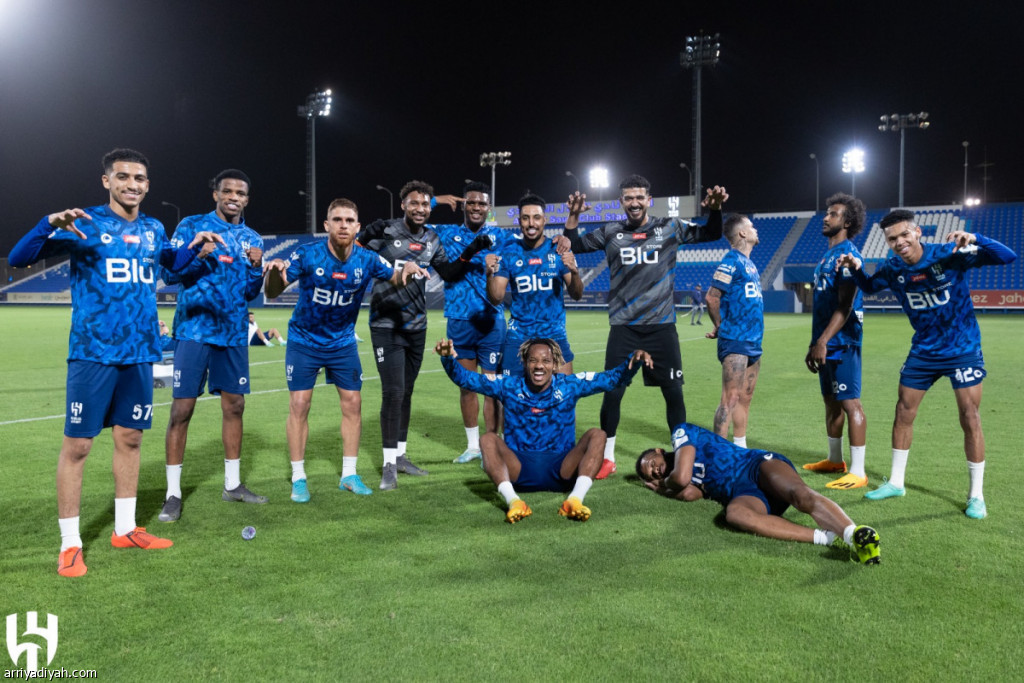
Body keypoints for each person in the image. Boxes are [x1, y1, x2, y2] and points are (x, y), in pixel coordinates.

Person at [7, 148, 222, 577]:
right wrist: (48, 224)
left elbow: (172, 264)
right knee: (78, 446)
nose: (132, 184)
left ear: (147, 185)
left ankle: (125, 529)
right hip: (93, 352)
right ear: (106, 181)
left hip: (140, 352)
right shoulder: (84, 223)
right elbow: (18, 258)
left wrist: (195, 249)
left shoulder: (153, 228)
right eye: (123, 177)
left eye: (139, 178)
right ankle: (70, 543)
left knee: (131, 439)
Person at [837, 210, 1016, 519]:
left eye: (904, 234)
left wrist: (976, 238)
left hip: (962, 349)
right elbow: (869, 286)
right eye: (892, 239)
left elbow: (1008, 256)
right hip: (923, 351)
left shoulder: (949, 254)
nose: (899, 242)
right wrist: (856, 269)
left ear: (917, 232)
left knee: (970, 416)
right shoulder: (893, 268)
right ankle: (896, 482)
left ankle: (976, 496)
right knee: (903, 412)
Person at [562, 176, 728, 478]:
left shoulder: (670, 227)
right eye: (628, 198)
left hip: (661, 327)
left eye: (639, 197)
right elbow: (571, 244)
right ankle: (607, 458)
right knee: (612, 392)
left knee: (673, 394)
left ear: (649, 200)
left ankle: (679, 457)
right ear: (621, 202)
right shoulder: (610, 232)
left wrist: (715, 209)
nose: (634, 203)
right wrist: (573, 216)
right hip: (624, 328)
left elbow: (712, 233)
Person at [264, 198, 427, 503]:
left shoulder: (367, 259)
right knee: (299, 404)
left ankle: (349, 475)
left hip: (342, 343)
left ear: (357, 227)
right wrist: (273, 271)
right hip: (305, 341)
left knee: (353, 404)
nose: (343, 225)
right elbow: (273, 290)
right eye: (337, 220)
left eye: (349, 220)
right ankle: (298, 477)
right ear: (327, 225)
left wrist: (407, 269)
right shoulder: (308, 254)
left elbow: (394, 275)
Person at [356, 180, 489, 489]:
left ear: (430, 208)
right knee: (393, 392)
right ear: (403, 205)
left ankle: (401, 456)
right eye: (414, 203)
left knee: (406, 392)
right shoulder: (386, 231)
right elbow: (354, 255)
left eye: (425, 204)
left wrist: (471, 250)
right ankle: (388, 464)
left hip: (417, 327)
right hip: (386, 325)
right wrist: (363, 237)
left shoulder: (432, 239)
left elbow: (449, 272)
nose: (420, 208)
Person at [436, 337, 652, 523]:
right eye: (533, 360)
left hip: (563, 469)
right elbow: (467, 379)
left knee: (598, 435)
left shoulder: (570, 385)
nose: (539, 366)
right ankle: (514, 501)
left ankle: (575, 500)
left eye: (546, 361)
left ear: (555, 364)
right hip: (518, 470)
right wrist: (447, 358)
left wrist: (634, 362)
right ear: (525, 362)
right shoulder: (508, 385)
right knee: (487, 440)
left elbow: (612, 379)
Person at [158, 169, 267, 523]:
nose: (234, 197)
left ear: (247, 199)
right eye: (227, 191)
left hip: (232, 334)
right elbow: (170, 275)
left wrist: (257, 268)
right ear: (215, 194)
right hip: (194, 330)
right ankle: (172, 494)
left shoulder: (252, 238)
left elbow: (250, 292)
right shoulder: (192, 225)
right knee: (181, 410)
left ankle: (232, 485)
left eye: (240, 193)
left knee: (235, 406)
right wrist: (198, 253)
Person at [636, 422, 881, 564]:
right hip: (743, 493)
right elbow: (690, 494)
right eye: (651, 475)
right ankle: (827, 538)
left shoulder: (681, 433)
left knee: (800, 495)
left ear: (659, 450)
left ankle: (854, 534)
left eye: (651, 463)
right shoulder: (679, 479)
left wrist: (664, 484)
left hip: (755, 466)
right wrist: (664, 491)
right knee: (735, 515)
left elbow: (680, 478)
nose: (655, 471)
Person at [432, 181, 517, 464]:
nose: (477, 207)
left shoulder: (501, 237)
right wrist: (435, 201)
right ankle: (472, 447)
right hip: (458, 320)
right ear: (464, 205)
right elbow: (412, 220)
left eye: (482, 203)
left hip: (491, 321)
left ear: (488, 207)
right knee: (467, 386)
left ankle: (492, 446)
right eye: (472, 202)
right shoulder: (446, 233)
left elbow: (531, 247)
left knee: (492, 387)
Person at [803, 193, 869, 490]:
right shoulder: (826, 257)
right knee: (830, 402)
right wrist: (815, 343)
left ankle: (858, 471)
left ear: (848, 222)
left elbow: (845, 306)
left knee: (850, 403)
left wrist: (823, 341)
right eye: (827, 213)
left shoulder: (848, 256)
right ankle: (835, 460)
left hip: (844, 341)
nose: (826, 218)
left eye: (833, 214)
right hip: (827, 341)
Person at [486, 193, 583, 377]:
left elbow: (577, 294)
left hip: (554, 334)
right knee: (511, 393)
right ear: (519, 221)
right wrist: (489, 275)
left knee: (564, 392)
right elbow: (496, 298)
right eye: (526, 218)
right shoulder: (509, 253)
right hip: (519, 335)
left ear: (544, 220)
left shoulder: (559, 250)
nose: (531, 223)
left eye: (536, 217)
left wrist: (575, 272)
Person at [704, 214, 763, 446]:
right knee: (730, 399)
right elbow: (712, 297)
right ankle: (719, 453)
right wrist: (720, 326)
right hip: (735, 339)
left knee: (745, 398)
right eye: (751, 226)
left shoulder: (750, 264)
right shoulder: (731, 260)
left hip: (753, 341)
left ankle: (740, 448)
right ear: (742, 233)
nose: (755, 229)